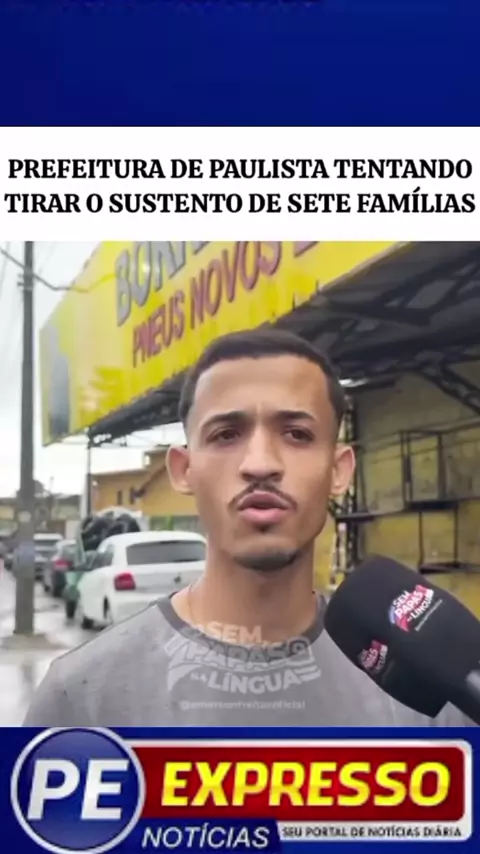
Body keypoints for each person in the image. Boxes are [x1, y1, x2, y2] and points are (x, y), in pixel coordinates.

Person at [24, 328, 474, 726]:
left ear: (339, 470)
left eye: (297, 434)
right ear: (183, 470)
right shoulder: (82, 698)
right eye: (226, 434)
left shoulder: (430, 684)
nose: (260, 464)